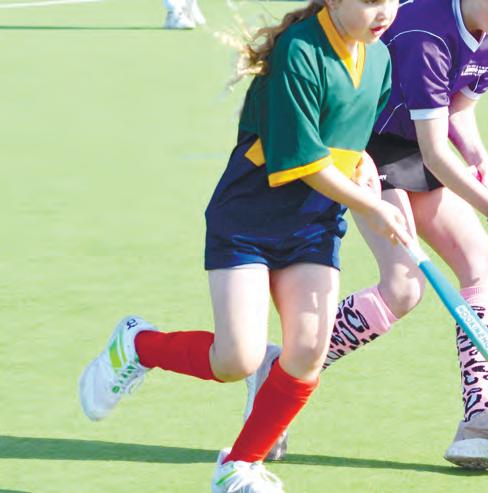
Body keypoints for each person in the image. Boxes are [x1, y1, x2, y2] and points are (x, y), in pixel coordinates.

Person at [78, 0, 406, 491]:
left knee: (308, 351)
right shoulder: (300, 50)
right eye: (371, 0)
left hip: (313, 225)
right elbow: (305, 159)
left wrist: (363, 168)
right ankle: (138, 346)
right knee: (237, 360)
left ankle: (239, 465)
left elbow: (350, 142)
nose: (384, 12)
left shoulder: (378, 57)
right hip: (250, 218)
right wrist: (371, 206)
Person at [251, 0, 488, 470]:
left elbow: (458, 110)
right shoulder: (425, 36)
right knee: (403, 286)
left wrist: (479, 158)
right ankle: (284, 370)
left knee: (484, 265)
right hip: (365, 144)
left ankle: (481, 417)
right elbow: (435, 153)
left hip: (415, 140)